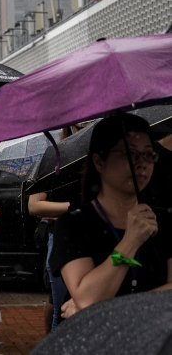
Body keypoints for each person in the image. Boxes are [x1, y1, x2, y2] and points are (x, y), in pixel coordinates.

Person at [50, 115, 172, 318]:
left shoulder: (163, 219)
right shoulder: (74, 224)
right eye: (129, 154)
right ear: (99, 161)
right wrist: (130, 242)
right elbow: (89, 299)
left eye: (148, 154)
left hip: (150, 341)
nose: (142, 163)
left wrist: (118, 307)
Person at [28, 123, 88, 332]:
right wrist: (76, 208)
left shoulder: (104, 156)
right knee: (62, 309)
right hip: (65, 239)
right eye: (82, 119)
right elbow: (34, 205)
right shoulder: (58, 154)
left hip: (96, 237)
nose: (86, 123)